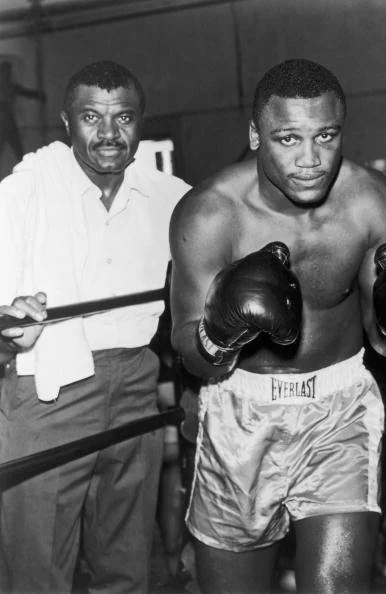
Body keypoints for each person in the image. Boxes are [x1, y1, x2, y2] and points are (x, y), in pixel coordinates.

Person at [169, 59, 386, 594]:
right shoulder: (210, 214)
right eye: (288, 138)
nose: (311, 159)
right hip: (240, 412)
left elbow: (380, 334)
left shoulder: (370, 200)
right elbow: (188, 348)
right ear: (256, 135)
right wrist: (222, 330)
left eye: (325, 135)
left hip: (338, 410)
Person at [0, 60, 191, 593]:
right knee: (36, 572)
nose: (109, 133)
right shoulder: (24, 193)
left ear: (140, 122)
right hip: (47, 391)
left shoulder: (171, 199)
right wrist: (8, 315)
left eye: (123, 117)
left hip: (136, 385)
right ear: (66, 122)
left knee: (127, 565)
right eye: (91, 117)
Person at [0, 59, 46, 162]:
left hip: (8, 120)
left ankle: (23, 167)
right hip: (5, 120)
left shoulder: (11, 86)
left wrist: (37, 95)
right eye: (6, 71)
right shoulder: (10, 86)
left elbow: (26, 92)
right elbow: (26, 92)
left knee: (17, 148)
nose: (8, 74)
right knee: (16, 148)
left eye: (8, 71)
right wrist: (37, 95)